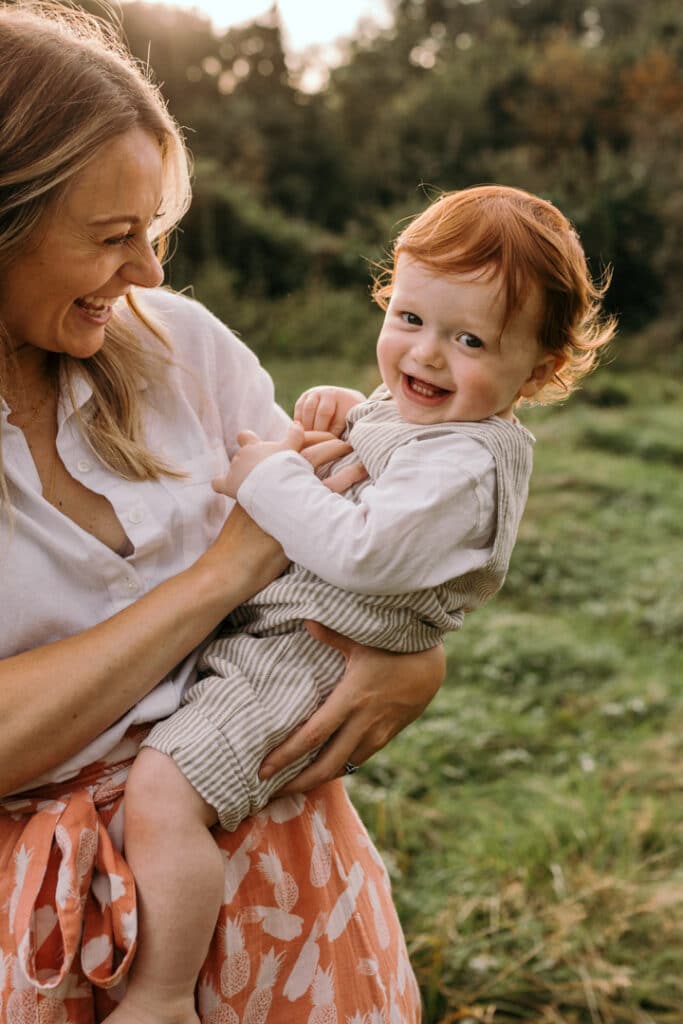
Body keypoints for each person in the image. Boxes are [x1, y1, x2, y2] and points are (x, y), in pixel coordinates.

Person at [0, 4, 446, 1023]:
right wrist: (221, 572)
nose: (149, 273)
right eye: (113, 237)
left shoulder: (179, 347)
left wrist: (408, 653)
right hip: (36, 931)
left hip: (283, 880)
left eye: (153, 232)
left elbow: (348, 549)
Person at [115, 185, 617, 1023]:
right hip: (290, 637)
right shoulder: (441, 424)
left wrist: (267, 476)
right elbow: (397, 454)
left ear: (535, 370)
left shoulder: (465, 464)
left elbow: (366, 549)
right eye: (410, 319)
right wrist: (351, 413)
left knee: (163, 795)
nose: (424, 357)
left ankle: (161, 995)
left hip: (306, 657)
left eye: (468, 340)